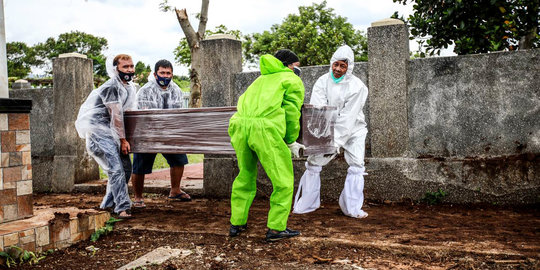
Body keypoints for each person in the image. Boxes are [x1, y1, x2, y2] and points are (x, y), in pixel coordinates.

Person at [228, 49, 305, 242]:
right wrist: (290, 139)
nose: (298, 70)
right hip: (265, 130)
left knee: (244, 175)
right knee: (283, 180)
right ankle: (276, 228)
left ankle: (237, 223)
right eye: (296, 66)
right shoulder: (291, 79)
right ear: (288, 65)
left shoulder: (259, 79)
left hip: (239, 126)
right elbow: (291, 112)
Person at [293, 45, 369, 218]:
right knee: (314, 162)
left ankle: (352, 208)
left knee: (357, 164)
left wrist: (335, 144)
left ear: (349, 68)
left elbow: (347, 118)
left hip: (354, 129)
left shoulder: (358, 87)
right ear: (331, 63)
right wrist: (319, 140)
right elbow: (319, 111)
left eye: (343, 66)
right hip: (327, 129)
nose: (337, 69)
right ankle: (308, 204)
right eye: (336, 64)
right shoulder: (322, 81)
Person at [75, 54, 137, 219]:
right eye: (125, 67)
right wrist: (123, 140)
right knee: (116, 169)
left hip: (112, 133)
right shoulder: (111, 87)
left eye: (131, 66)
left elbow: (128, 112)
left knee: (125, 169)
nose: (129, 70)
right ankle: (122, 208)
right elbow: (116, 115)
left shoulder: (128, 87)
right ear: (116, 68)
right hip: (99, 134)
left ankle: (107, 204)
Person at [131, 59, 190, 207]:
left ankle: (175, 190)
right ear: (155, 74)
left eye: (168, 73)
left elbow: (177, 113)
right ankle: (138, 197)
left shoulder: (176, 89)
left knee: (179, 159)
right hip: (147, 133)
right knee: (139, 165)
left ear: (172, 74)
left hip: (169, 132)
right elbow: (143, 115)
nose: (165, 75)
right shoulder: (145, 90)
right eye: (162, 73)